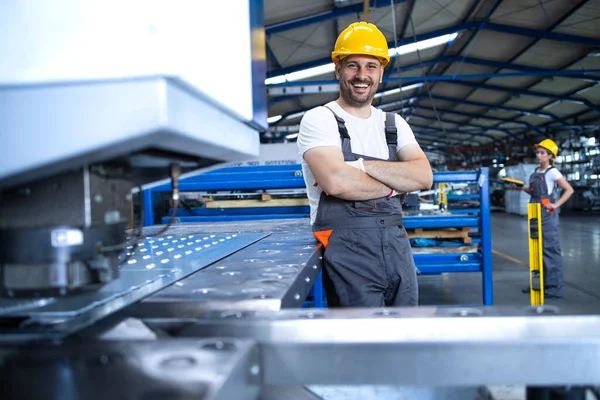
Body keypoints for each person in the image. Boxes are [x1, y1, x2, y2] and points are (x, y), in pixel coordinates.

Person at [297, 21, 433, 308]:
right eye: (352, 65)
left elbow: (423, 177)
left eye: (371, 66)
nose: (362, 75)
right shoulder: (320, 119)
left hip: (397, 244)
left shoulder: (394, 124)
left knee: (406, 330)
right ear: (338, 69)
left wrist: (359, 165)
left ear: (381, 72)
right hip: (347, 248)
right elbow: (336, 182)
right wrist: (395, 184)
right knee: (360, 337)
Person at [517, 139, 574, 298]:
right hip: (534, 213)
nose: (538, 155)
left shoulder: (553, 172)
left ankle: (553, 288)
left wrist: (556, 204)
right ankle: (537, 285)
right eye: (538, 152)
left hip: (547, 216)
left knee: (549, 250)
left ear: (550, 156)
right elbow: (535, 193)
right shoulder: (536, 171)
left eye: (542, 153)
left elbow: (569, 190)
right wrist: (522, 188)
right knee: (536, 249)